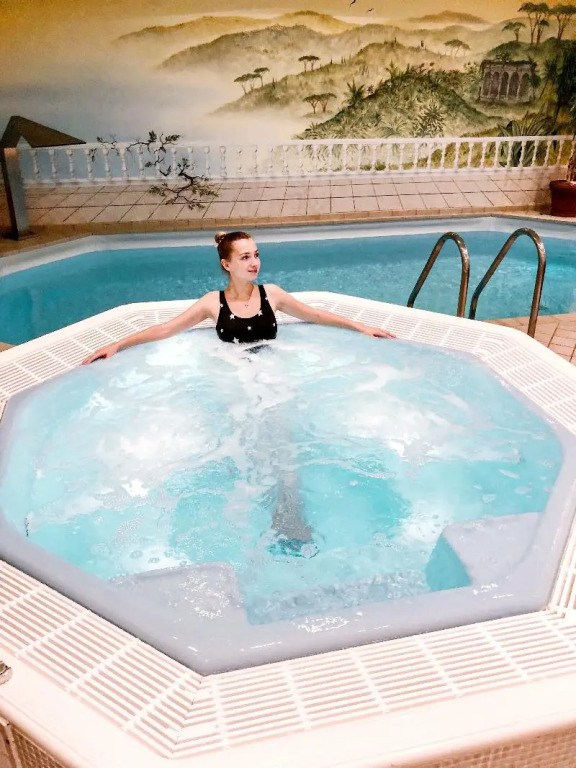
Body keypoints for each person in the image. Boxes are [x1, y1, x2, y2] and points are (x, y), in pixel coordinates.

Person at [82, 230, 394, 364]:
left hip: (273, 371)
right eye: (245, 257)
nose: (254, 262)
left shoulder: (272, 294)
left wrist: (361, 327)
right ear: (227, 264)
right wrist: (117, 345)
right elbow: (167, 329)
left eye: (256, 254)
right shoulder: (212, 302)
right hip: (234, 375)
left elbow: (315, 315)